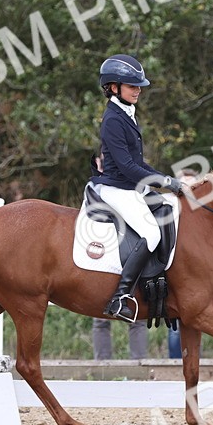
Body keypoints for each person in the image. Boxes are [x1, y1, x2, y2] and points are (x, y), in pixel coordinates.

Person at [90, 54, 188, 322]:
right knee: (151, 233)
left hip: (131, 186)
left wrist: (166, 179)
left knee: (169, 209)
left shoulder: (126, 114)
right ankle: (120, 297)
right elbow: (127, 167)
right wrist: (165, 182)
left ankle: (160, 282)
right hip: (117, 188)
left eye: (139, 86)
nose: (138, 91)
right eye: (132, 86)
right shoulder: (113, 119)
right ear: (113, 87)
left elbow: (139, 163)